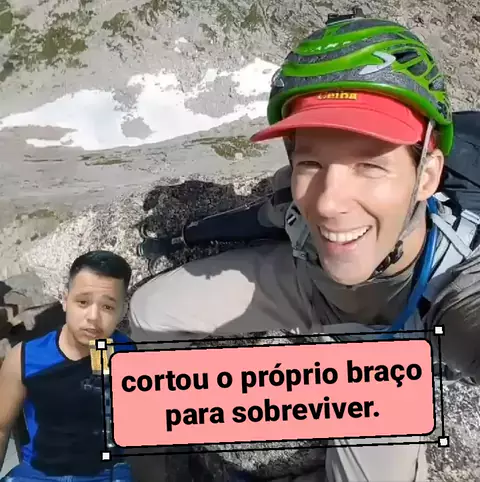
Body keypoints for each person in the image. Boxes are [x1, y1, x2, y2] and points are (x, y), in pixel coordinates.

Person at [129, 13, 480, 482]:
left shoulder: (460, 279)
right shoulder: (297, 209)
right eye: (311, 162)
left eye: (370, 166)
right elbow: (263, 215)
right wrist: (185, 236)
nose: (328, 203)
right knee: (151, 312)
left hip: (388, 358)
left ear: (428, 176)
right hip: (308, 282)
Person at [0, 251, 136, 482]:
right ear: (65, 300)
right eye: (83, 302)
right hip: (37, 475)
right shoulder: (25, 356)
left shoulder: (128, 355)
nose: (93, 317)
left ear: (122, 311)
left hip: (105, 473)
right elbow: (1, 428)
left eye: (107, 307)